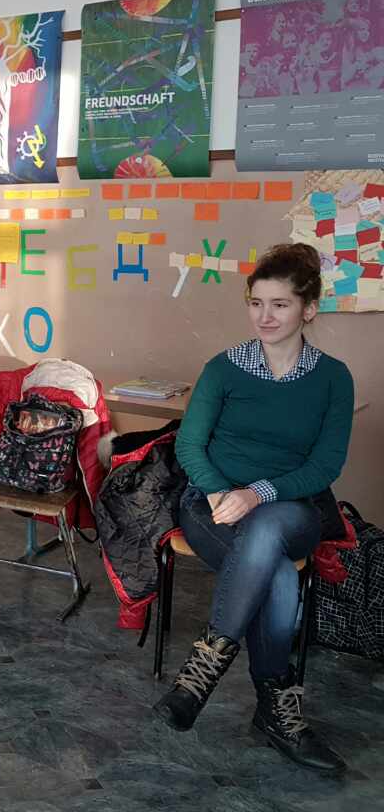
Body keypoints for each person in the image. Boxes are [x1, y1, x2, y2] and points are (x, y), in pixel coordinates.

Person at [155, 243, 352, 773]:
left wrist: (257, 493)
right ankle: (276, 711)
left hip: (292, 510)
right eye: (257, 303)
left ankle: (203, 671)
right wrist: (220, 492)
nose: (265, 316)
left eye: (280, 304)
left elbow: (325, 465)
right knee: (279, 576)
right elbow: (190, 445)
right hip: (212, 505)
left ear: (308, 309)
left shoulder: (333, 377)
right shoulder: (223, 369)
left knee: (266, 527)